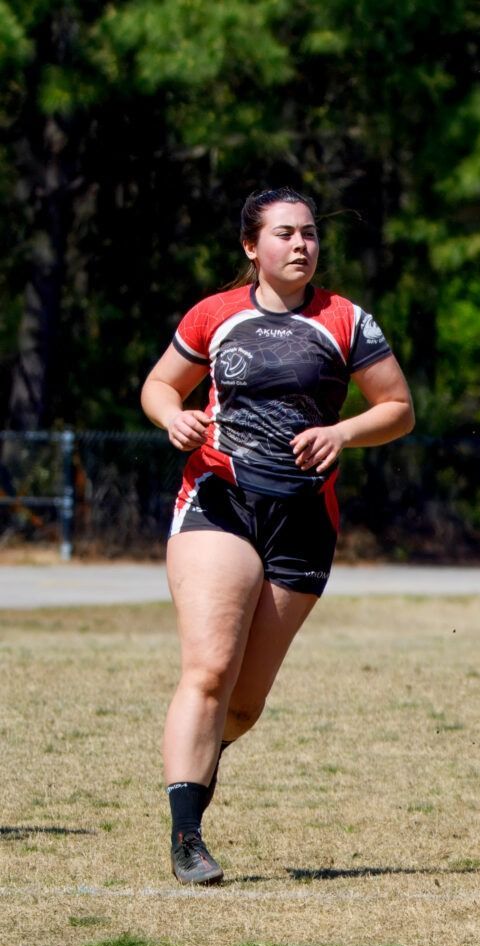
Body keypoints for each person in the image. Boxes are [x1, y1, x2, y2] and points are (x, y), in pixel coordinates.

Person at [140, 187, 415, 884]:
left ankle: (198, 759)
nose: (302, 245)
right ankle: (186, 834)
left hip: (304, 518)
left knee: (245, 701)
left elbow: (399, 409)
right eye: (286, 234)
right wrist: (172, 418)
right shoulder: (215, 314)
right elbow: (159, 387)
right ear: (250, 247)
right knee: (208, 670)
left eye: (310, 235)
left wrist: (343, 431)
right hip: (219, 499)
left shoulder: (345, 320)